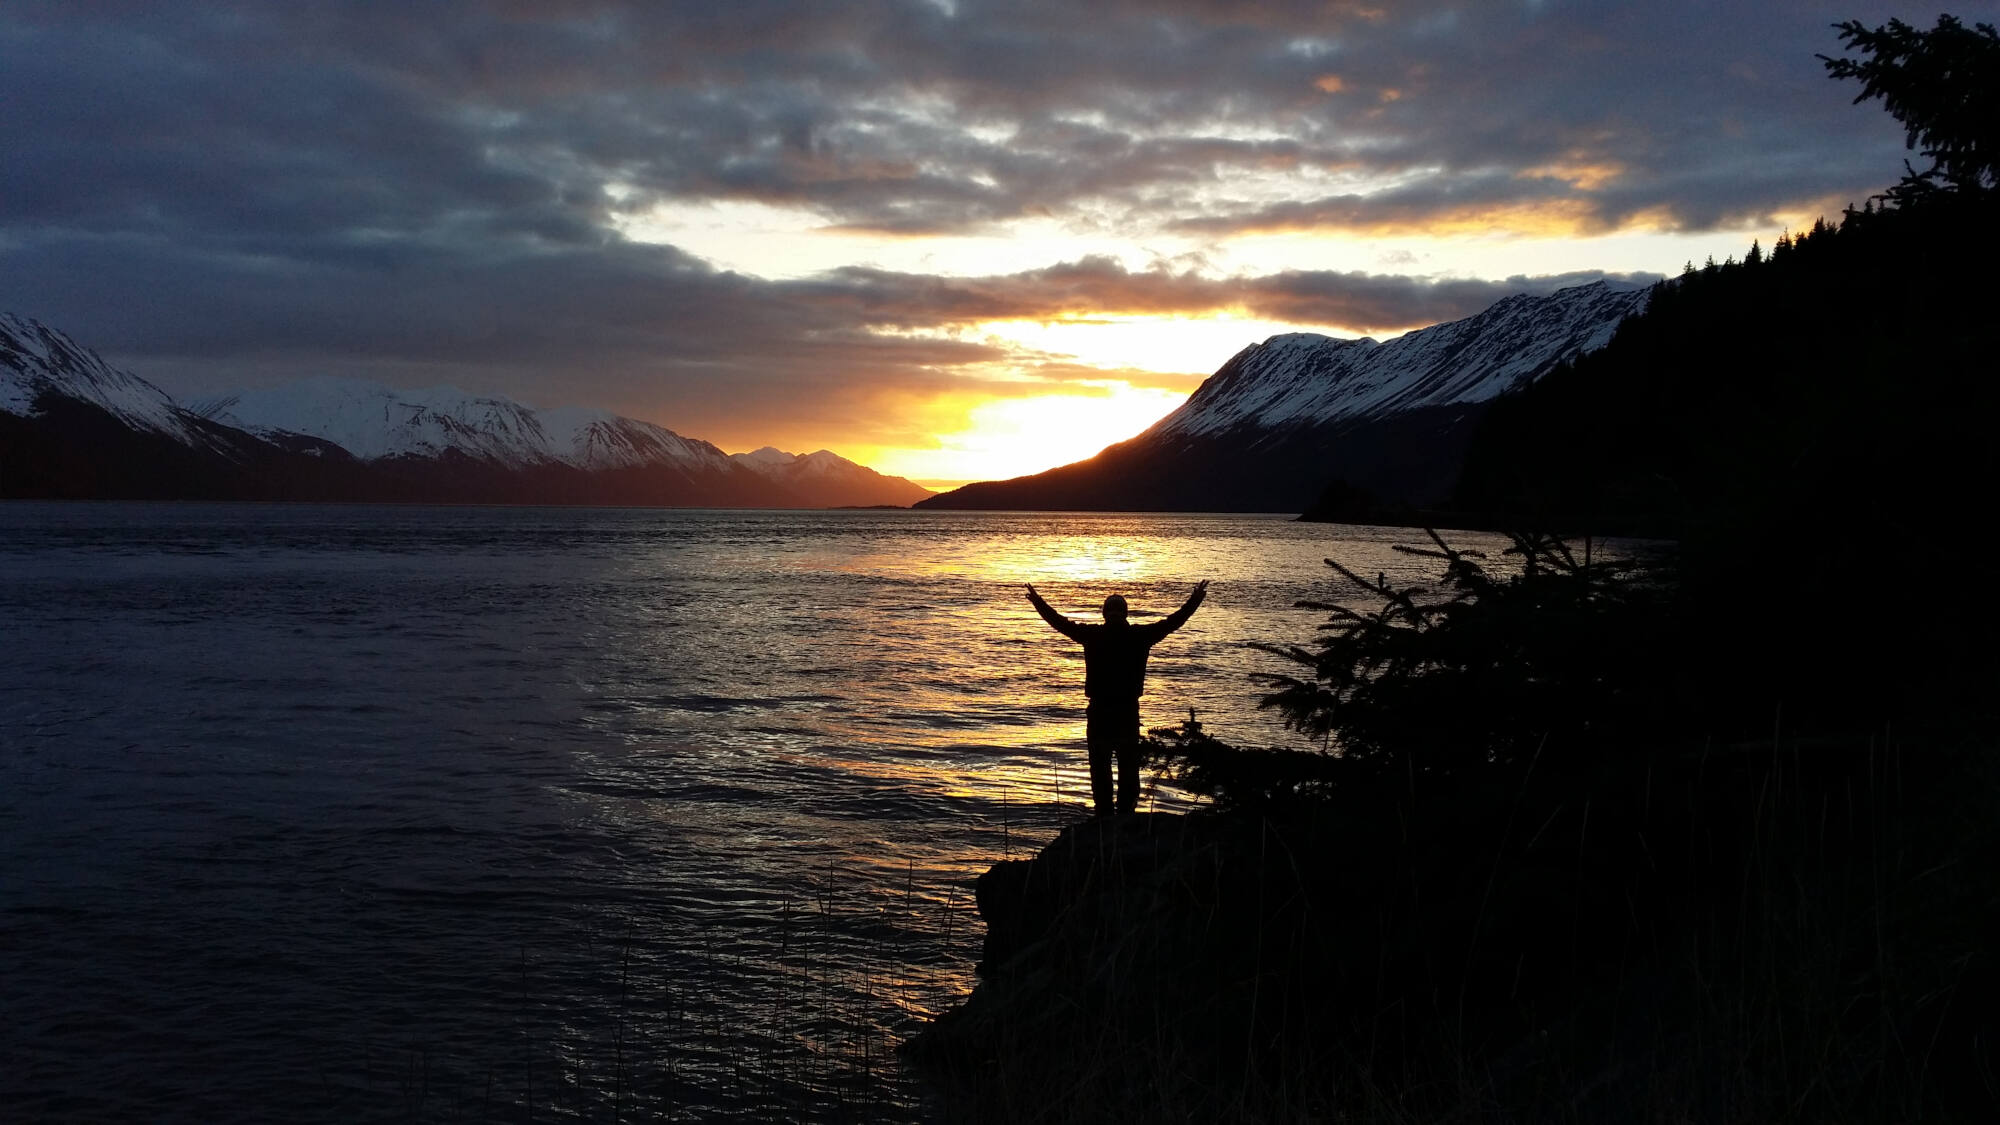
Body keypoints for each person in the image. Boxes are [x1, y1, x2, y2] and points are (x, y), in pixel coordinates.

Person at [1024, 580, 1209, 816]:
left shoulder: (1092, 635)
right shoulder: (1140, 636)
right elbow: (1173, 622)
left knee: (1100, 770)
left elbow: (1059, 623)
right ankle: (1125, 815)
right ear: (1125, 613)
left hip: (1100, 713)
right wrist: (1195, 600)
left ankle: (1103, 816)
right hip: (1126, 713)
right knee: (1128, 770)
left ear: (1104, 614)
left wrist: (1039, 602)